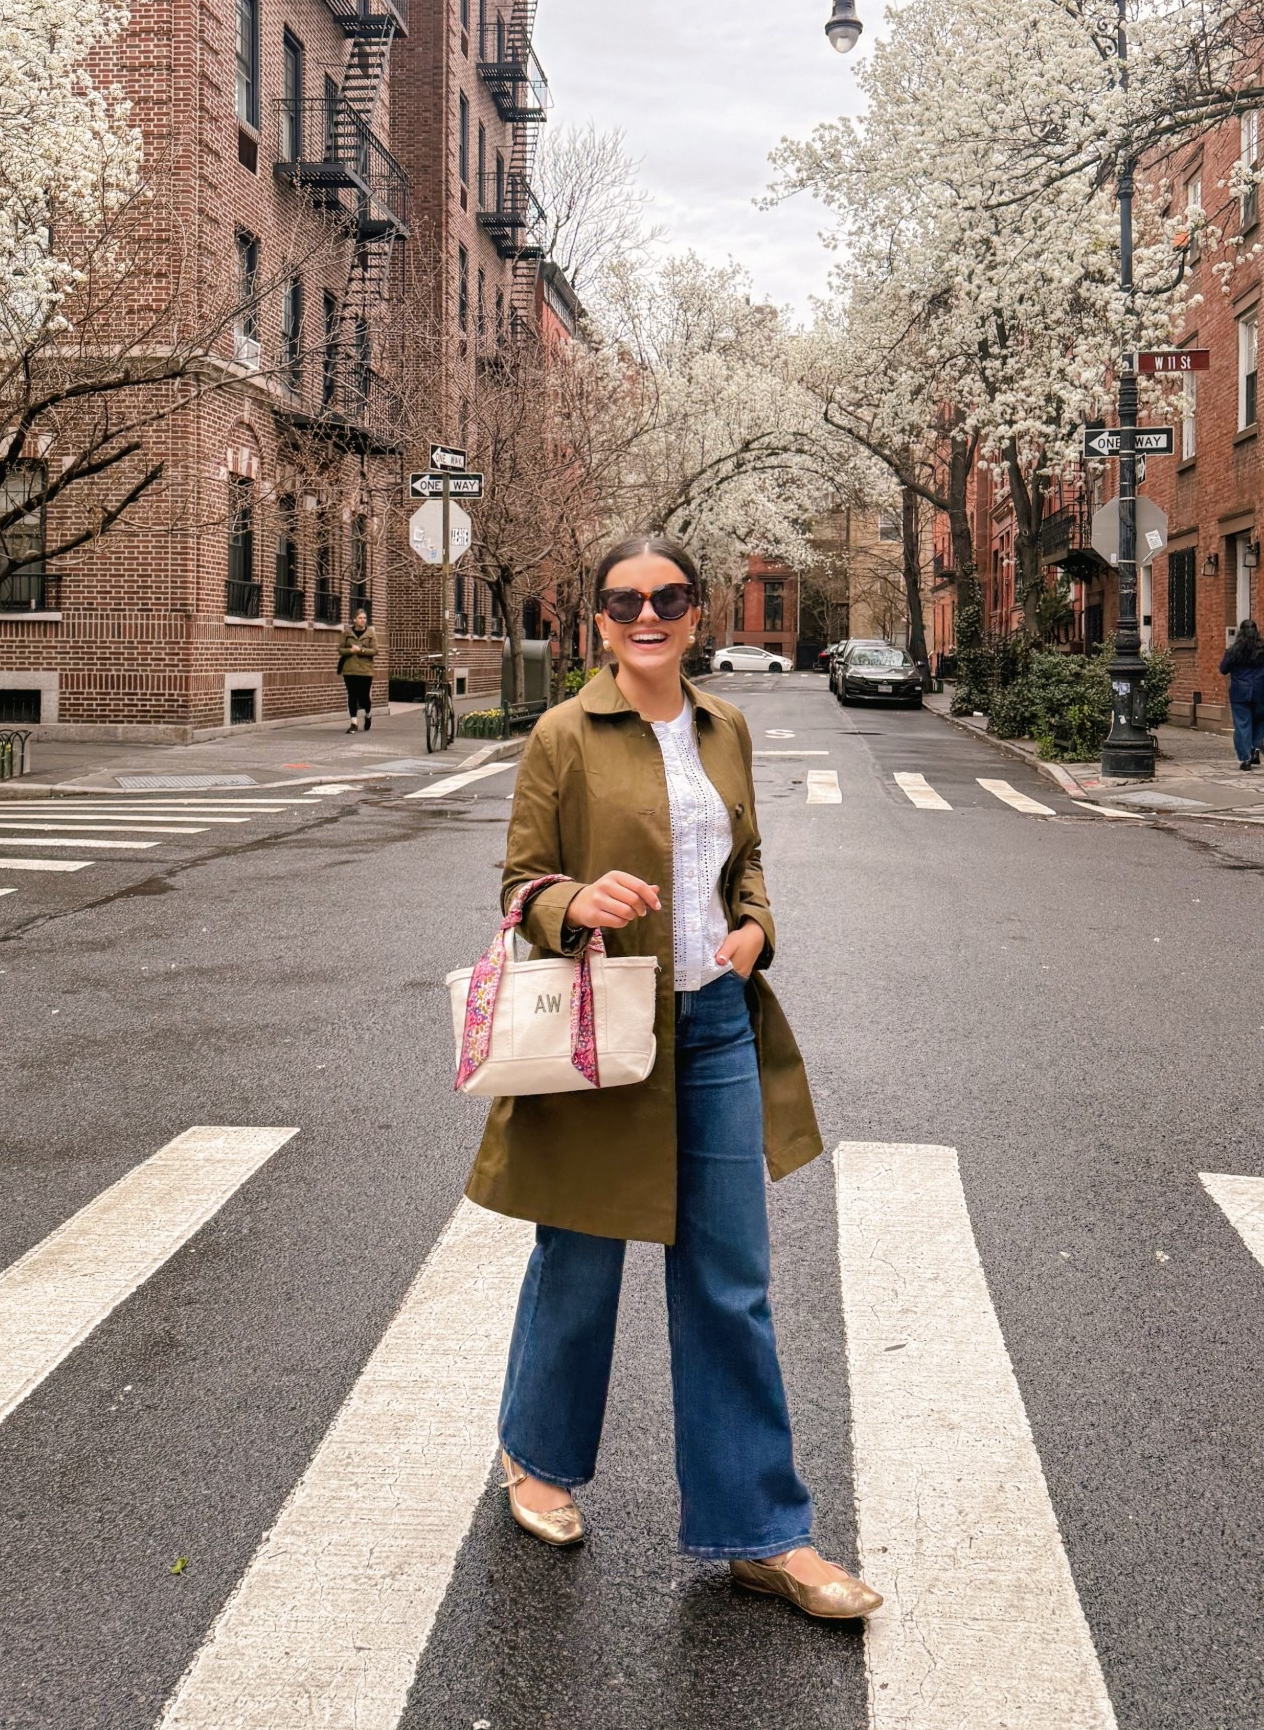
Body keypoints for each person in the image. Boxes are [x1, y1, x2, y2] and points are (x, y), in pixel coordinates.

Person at [466, 533, 882, 1622]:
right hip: (608, 1028)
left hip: (713, 1027)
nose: (645, 614)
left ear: (698, 612)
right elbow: (521, 885)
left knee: (729, 1277)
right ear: (597, 621)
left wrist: (755, 929)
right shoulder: (563, 734)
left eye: (668, 597)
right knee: (580, 1254)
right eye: (623, 600)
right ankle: (539, 1456)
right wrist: (572, 902)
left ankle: (762, 1531)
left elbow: (743, 865)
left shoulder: (725, 726)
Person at [1219, 617, 1264, 769]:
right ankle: (1255, 748)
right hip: (1261, 691)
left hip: (1240, 693)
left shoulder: (1233, 651)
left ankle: (1245, 758)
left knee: (1242, 724)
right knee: (1259, 720)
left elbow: (1223, 669)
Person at [336, 608, 377, 732]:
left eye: (364, 618)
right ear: (354, 619)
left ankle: (368, 714)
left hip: (365, 670)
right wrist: (350, 651)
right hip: (350, 669)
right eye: (360, 618)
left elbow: (375, 650)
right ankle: (353, 722)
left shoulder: (370, 634)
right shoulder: (347, 633)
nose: (363, 620)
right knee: (352, 695)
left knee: (364, 696)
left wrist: (361, 650)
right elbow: (340, 649)